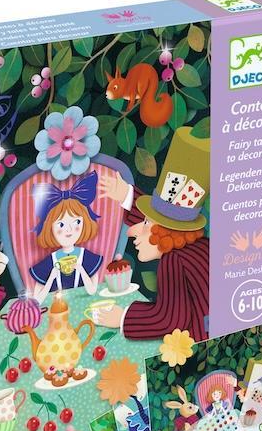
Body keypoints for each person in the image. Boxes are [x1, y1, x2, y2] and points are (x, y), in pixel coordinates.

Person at [96, 126, 210, 342]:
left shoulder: (174, 261)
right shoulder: (199, 245)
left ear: (164, 232)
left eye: (146, 223)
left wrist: (122, 317)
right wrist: (125, 194)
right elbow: (165, 220)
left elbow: (170, 320)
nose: (132, 232)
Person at [30, 170, 103, 302]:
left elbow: (92, 290)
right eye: (61, 225)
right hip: (57, 308)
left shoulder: (86, 257)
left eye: (77, 222)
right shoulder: (51, 261)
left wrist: (80, 269)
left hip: (84, 305)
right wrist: (51, 278)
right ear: (49, 227)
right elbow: (37, 299)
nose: (69, 230)